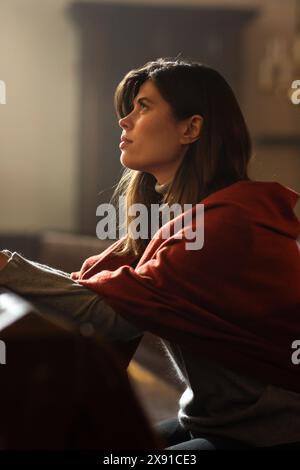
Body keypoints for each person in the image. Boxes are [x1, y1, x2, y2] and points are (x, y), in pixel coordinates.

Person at [0, 57, 300, 450]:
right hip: (211, 419)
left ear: (191, 128)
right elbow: (97, 292)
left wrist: (6, 266)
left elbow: (112, 317)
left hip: (269, 433)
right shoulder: (173, 218)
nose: (125, 120)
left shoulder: (223, 225)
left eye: (143, 107)